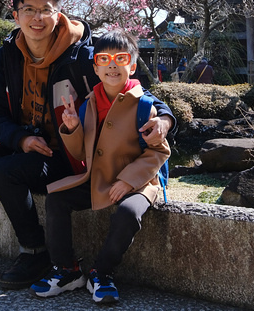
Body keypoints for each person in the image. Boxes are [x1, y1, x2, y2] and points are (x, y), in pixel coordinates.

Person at [0, 0, 175, 290]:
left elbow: (130, 88)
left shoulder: (81, 55)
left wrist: (164, 118)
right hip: (26, 148)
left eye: (46, 9)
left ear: (60, 15)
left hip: (64, 156)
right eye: (28, 9)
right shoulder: (8, 54)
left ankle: (35, 252)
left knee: (7, 169)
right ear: (15, 15)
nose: (37, 18)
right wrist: (21, 139)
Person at [29, 30, 172, 304]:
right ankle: (67, 269)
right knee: (57, 200)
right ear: (95, 67)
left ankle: (102, 272)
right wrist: (72, 129)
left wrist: (129, 181)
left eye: (121, 58)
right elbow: (81, 152)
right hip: (98, 178)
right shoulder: (88, 104)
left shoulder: (144, 104)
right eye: (104, 59)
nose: (112, 65)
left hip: (139, 182)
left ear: (132, 65)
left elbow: (159, 151)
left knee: (129, 212)